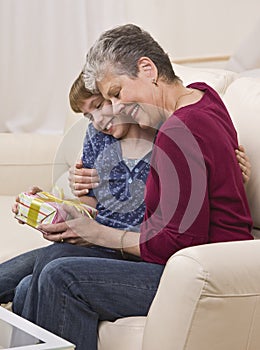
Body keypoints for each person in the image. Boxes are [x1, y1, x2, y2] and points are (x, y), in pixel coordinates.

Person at [13, 24, 253, 350]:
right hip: (191, 262)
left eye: (116, 92)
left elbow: (174, 243)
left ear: (147, 69)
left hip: (206, 273)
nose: (116, 106)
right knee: (30, 284)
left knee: (60, 276)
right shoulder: (202, 97)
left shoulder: (178, 131)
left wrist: (93, 233)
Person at [0, 72, 155, 310]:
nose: (98, 121)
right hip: (92, 244)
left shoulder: (161, 141)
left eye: (99, 106)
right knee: (10, 280)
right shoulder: (97, 136)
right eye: (88, 115)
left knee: (36, 276)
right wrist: (51, 206)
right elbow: (89, 209)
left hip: (123, 250)